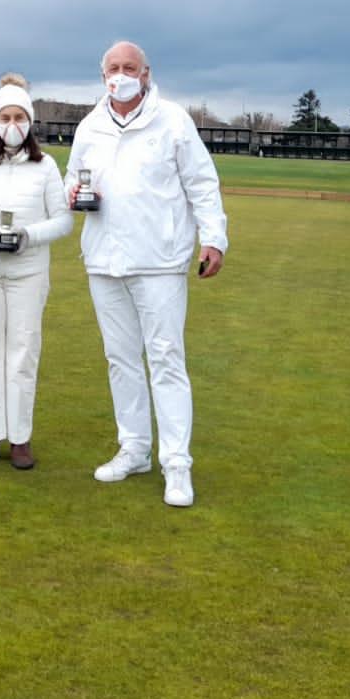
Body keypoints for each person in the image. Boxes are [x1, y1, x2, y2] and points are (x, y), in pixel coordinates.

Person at [65, 40, 228, 507]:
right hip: (104, 260)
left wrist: (214, 237)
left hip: (159, 261)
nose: (122, 74)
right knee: (121, 360)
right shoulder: (89, 126)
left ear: (147, 73)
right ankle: (134, 448)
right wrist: (72, 191)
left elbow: (201, 181)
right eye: (114, 68)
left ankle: (176, 464)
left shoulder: (172, 120)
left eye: (130, 67)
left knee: (166, 360)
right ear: (103, 76)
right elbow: (72, 180)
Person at [0, 74, 72, 470]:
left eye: (19, 116)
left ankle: (20, 437)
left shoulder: (46, 166)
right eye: (5, 116)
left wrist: (27, 236)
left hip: (28, 272)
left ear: (30, 120)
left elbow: (62, 221)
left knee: (22, 354)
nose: (12, 124)